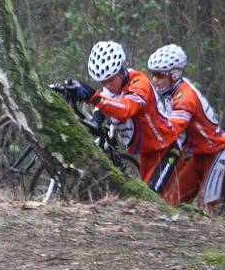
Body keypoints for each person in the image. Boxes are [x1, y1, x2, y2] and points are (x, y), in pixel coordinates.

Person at [65, 41, 180, 194]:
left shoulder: (140, 84)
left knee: (151, 199)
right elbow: (103, 106)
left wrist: (92, 95)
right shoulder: (111, 88)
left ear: (120, 71)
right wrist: (95, 121)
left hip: (167, 149)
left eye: (110, 80)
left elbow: (125, 110)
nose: (107, 86)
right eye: (102, 82)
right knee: (145, 199)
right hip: (146, 154)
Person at [147, 44, 225, 210]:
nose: (154, 79)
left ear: (174, 74)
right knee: (172, 203)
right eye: (153, 74)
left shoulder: (185, 97)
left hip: (215, 156)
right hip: (197, 157)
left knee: (206, 210)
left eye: (159, 75)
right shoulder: (171, 93)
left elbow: (171, 130)